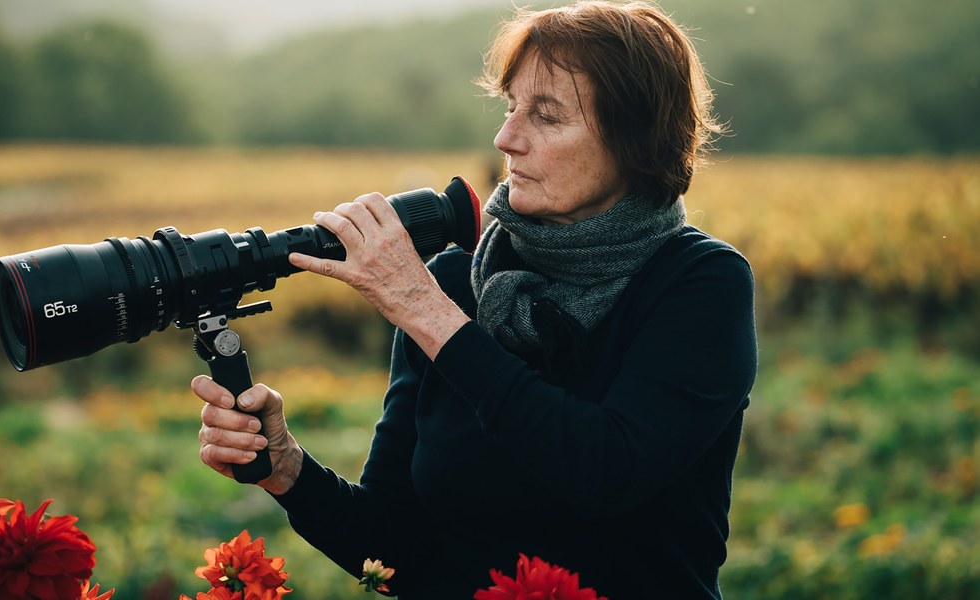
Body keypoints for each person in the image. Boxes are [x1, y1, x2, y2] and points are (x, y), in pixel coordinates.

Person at [192, 1, 757, 597]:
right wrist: (286, 469)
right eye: (511, 107)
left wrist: (426, 311)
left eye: (547, 115)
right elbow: (393, 547)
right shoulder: (459, 283)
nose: (506, 137)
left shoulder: (699, 284)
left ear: (637, 140)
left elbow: (606, 472)